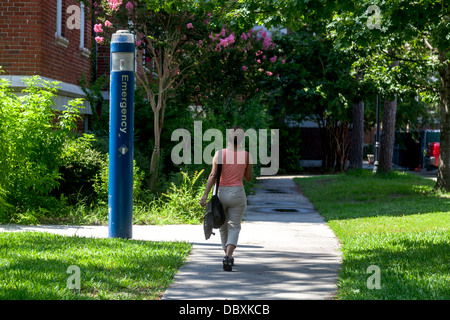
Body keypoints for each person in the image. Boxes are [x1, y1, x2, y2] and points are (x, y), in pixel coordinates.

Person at [200, 126, 252, 271]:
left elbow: (213, 176)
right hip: (237, 194)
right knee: (234, 226)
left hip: (221, 193)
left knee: (222, 226)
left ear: (228, 138)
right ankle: (228, 256)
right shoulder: (247, 155)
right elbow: (248, 178)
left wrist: (205, 195)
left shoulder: (219, 154)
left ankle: (226, 256)